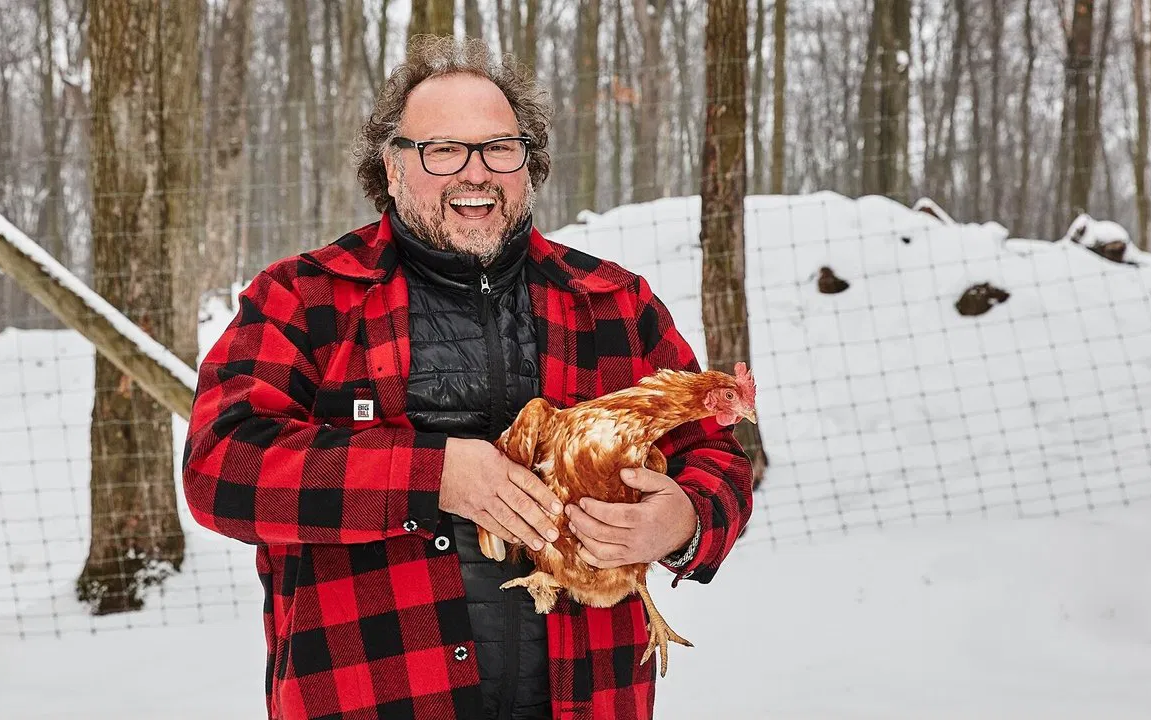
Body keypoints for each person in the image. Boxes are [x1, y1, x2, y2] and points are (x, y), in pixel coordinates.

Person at [182, 35, 753, 720]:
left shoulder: (612, 305)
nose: (476, 173)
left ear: (529, 164)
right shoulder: (306, 300)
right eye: (443, 150)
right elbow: (220, 466)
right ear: (393, 168)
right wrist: (433, 475)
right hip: (374, 696)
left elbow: (717, 455)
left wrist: (683, 520)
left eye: (500, 148)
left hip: (585, 698)